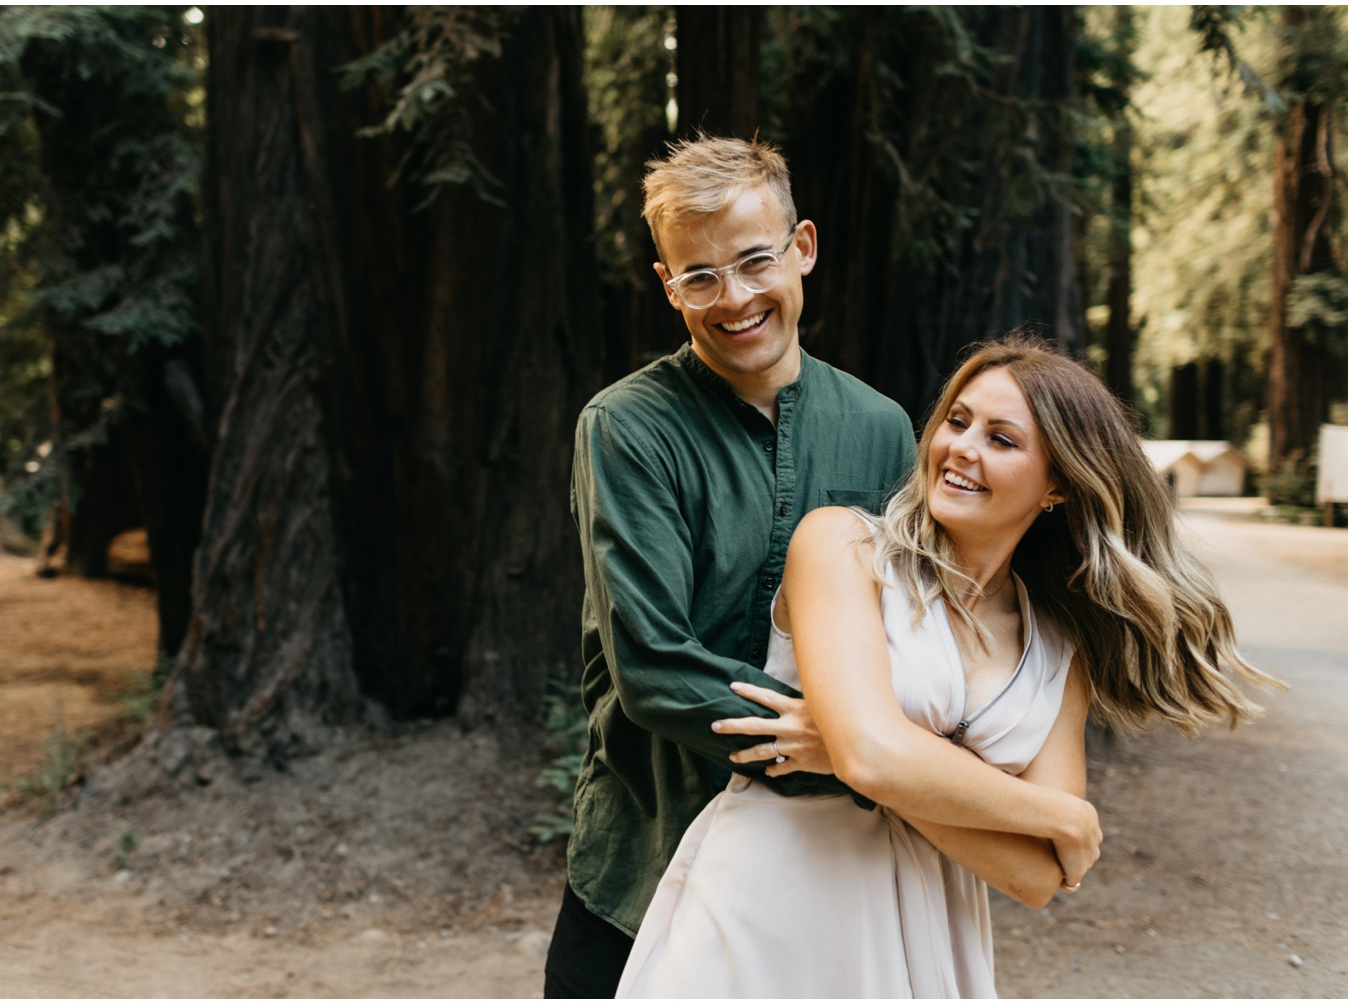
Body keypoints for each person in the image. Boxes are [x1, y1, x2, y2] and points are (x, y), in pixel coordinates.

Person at [615, 334, 1282, 998]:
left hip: (932, 933)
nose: (961, 447)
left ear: (1057, 485)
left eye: (1002, 439)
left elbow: (1036, 877)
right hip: (776, 903)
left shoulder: (1056, 647)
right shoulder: (844, 547)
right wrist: (1061, 816)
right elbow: (872, 756)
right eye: (957, 422)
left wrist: (861, 755)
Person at [542, 135, 917, 998]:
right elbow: (654, 666)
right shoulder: (627, 428)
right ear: (667, 284)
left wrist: (879, 756)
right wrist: (850, 750)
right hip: (648, 857)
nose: (734, 298)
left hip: (820, 870)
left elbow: (914, 630)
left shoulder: (883, 428)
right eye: (700, 275)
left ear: (804, 248)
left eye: (755, 261)